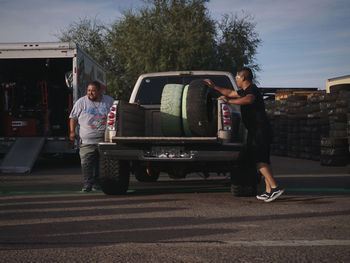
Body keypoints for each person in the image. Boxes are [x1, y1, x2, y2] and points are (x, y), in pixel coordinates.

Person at [204, 67, 284, 202]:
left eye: (237, 77)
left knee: (259, 160)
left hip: (260, 131)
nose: (236, 79)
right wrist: (214, 86)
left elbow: (249, 100)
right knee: (264, 160)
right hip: (258, 130)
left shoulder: (251, 89)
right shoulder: (245, 90)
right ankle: (269, 191)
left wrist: (229, 101)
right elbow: (229, 92)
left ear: (243, 78)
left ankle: (275, 188)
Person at [69, 81, 115, 192]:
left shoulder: (109, 101)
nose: (90, 93)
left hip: (104, 140)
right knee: (86, 163)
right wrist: (72, 132)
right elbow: (73, 117)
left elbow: (119, 110)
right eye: (89, 90)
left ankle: (97, 183)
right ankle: (87, 183)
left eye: (93, 91)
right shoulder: (81, 102)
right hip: (86, 141)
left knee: (101, 164)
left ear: (100, 91)